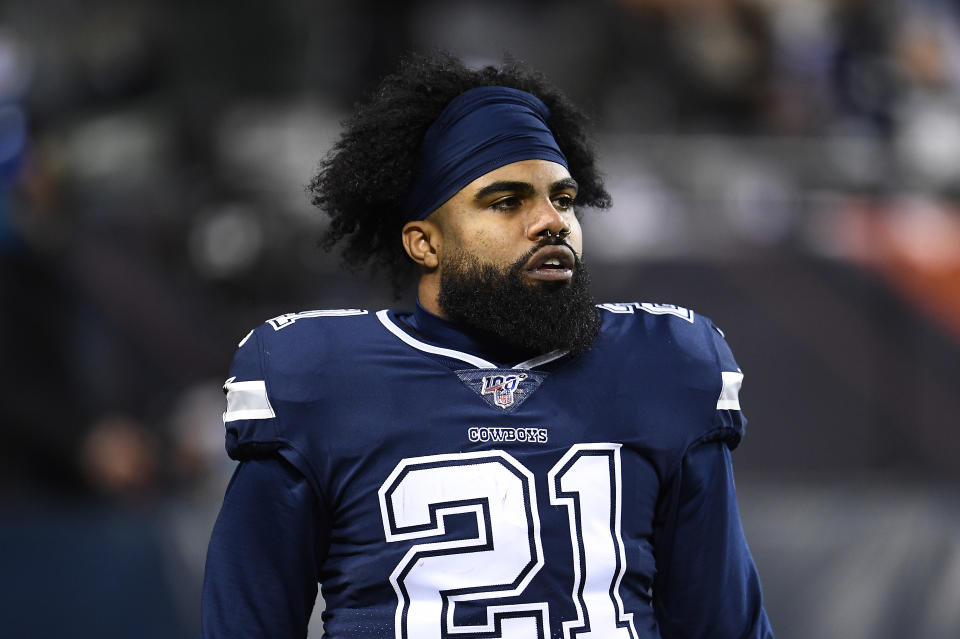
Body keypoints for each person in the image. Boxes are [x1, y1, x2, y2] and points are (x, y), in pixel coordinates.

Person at [201, 51, 774, 639]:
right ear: (425, 243)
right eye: (506, 202)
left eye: (563, 198)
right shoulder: (319, 377)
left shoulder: (665, 363)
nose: (552, 221)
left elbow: (723, 623)